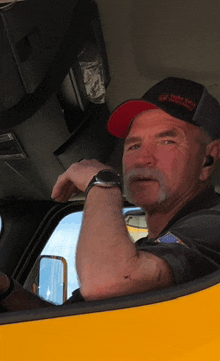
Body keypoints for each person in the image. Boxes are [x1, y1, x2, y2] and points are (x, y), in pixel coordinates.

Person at [1, 76, 220, 311]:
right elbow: (67, 322)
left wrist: (102, 183)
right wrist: (6, 290)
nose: (143, 159)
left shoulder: (213, 225)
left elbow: (107, 283)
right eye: (134, 145)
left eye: (167, 141)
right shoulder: (153, 247)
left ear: (208, 160)